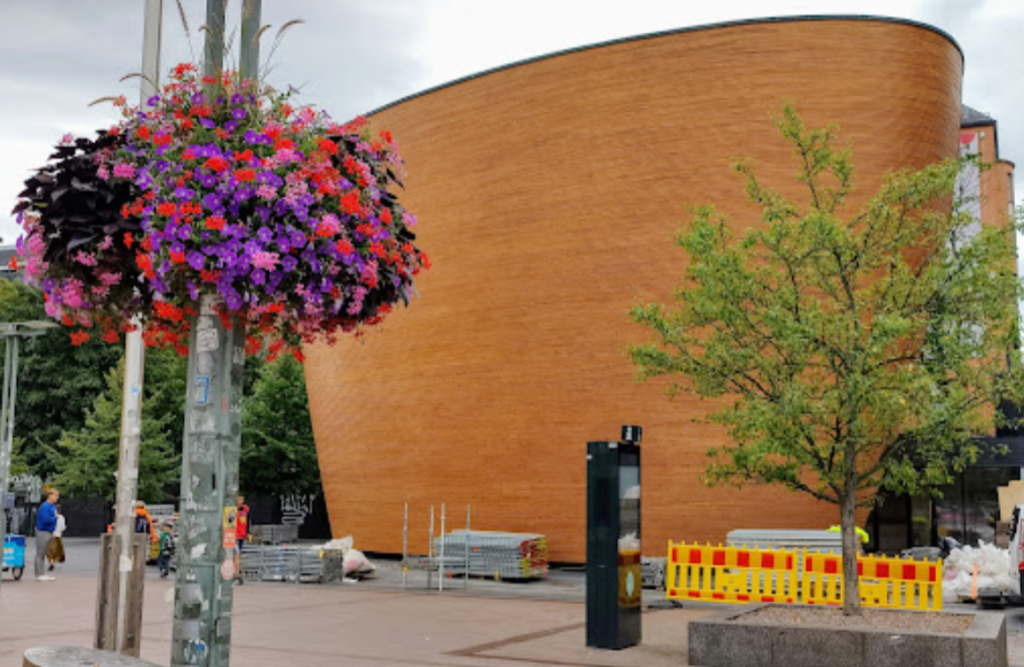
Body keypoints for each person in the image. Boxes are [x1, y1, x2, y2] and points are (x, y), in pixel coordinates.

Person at [35, 488, 59, 581]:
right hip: (43, 531)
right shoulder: (45, 507)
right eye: (55, 495)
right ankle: (39, 574)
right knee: (40, 553)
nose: (57, 498)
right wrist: (55, 518)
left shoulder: (53, 507)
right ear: (49, 496)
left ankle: (42, 573)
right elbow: (45, 520)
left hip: (50, 531)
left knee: (44, 553)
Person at [234, 495, 249, 585]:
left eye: (242, 499)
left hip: (241, 535)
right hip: (234, 536)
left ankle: (237, 572)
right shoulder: (232, 509)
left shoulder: (245, 509)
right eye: (239, 499)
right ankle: (237, 574)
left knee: (238, 555)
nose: (240, 501)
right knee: (237, 554)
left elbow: (248, 520)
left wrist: (248, 532)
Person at [46, 504, 67, 571]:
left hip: (52, 535)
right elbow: (63, 527)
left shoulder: (52, 517)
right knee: (56, 551)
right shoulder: (62, 517)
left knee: (50, 550)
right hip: (58, 536)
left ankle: (51, 562)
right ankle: (55, 560)